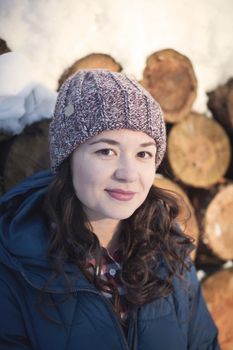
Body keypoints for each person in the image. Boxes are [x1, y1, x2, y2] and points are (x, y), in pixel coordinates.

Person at [0, 69, 220, 350]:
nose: (128, 174)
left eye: (143, 154)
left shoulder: (170, 254)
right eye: (106, 151)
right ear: (68, 159)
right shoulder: (13, 265)